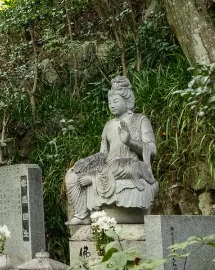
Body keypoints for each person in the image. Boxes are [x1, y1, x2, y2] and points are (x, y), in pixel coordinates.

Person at [64, 76, 158, 225]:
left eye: (115, 101)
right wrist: (85, 163)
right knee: (72, 174)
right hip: (109, 166)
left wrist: (130, 141)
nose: (111, 105)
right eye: (109, 102)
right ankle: (82, 214)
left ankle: (95, 180)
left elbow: (152, 149)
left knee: (121, 167)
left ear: (128, 102)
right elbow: (103, 155)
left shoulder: (140, 120)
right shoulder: (108, 125)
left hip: (130, 166)